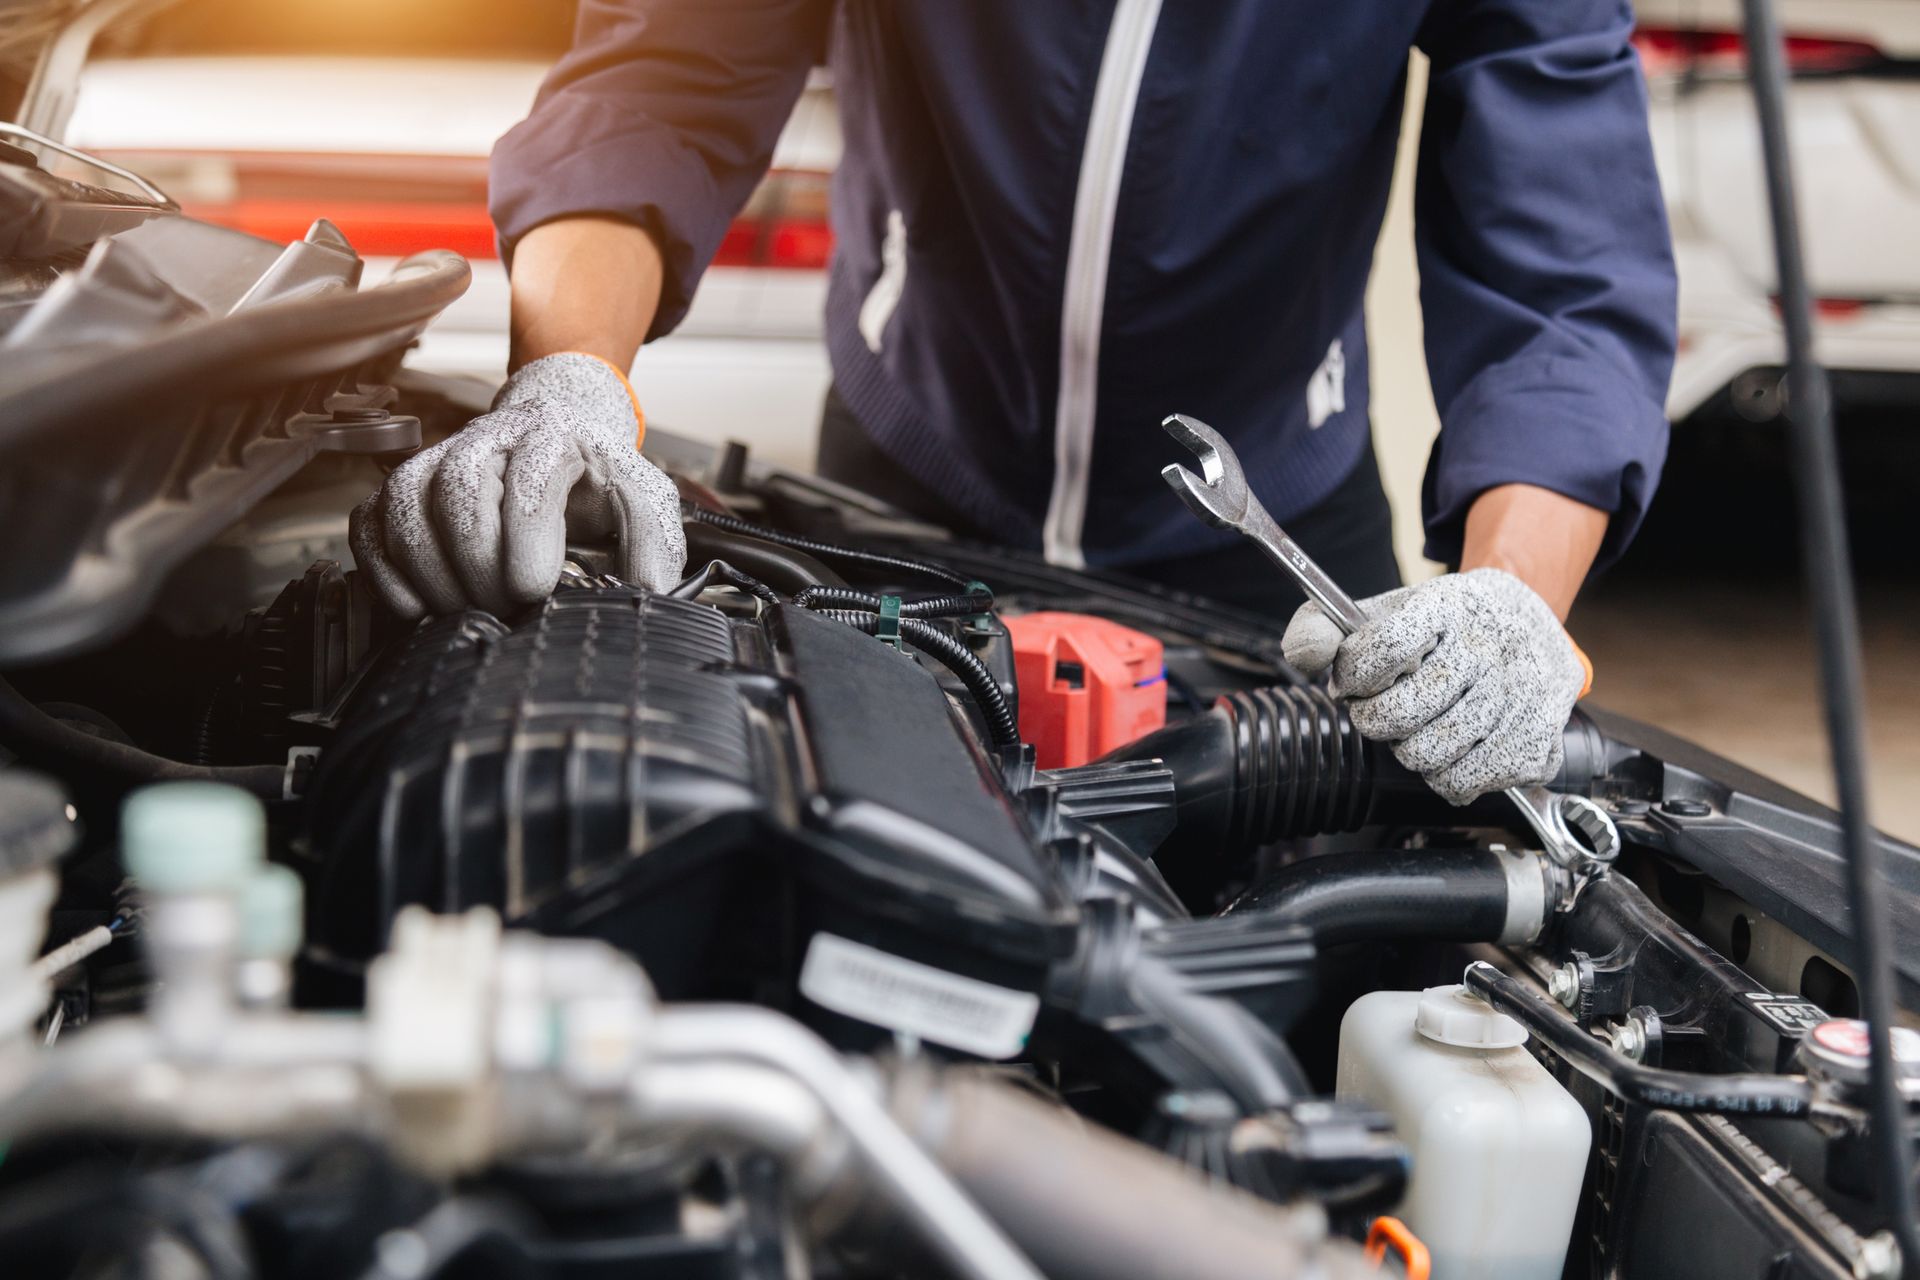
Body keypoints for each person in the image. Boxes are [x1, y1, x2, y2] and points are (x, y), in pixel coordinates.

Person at [350, 2, 1676, 805]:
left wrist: (1514, 596)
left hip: (1272, 533)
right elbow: (667, 74)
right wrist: (567, 376)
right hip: (899, 492)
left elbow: (1566, 256)